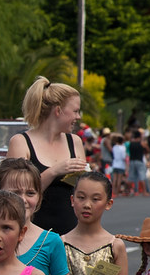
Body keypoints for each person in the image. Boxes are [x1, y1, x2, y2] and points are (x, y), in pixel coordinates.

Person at [5, 76, 88, 236]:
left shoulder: (75, 142)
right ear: (58, 111)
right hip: (31, 235)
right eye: (75, 111)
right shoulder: (21, 142)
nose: (78, 117)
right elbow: (12, 195)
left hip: (71, 234)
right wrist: (54, 171)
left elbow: (83, 192)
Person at [126, 129, 148, 197]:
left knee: (130, 177)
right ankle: (144, 192)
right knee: (142, 176)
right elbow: (147, 149)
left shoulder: (131, 143)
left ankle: (128, 191)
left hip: (132, 161)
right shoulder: (141, 143)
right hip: (139, 160)